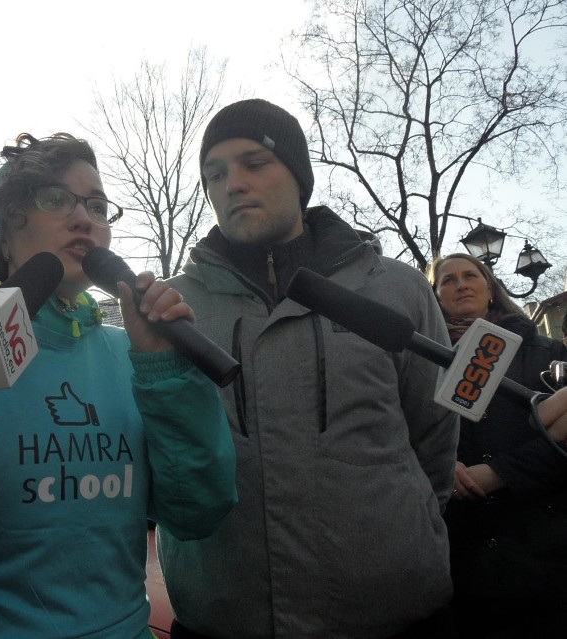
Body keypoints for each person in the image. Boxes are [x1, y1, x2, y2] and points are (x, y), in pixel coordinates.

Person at [0, 132, 238, 638]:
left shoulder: (132, 354)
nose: (84, 218)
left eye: (98, 205)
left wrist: (165, 371)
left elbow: (198, 512)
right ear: (2, 229)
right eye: (55, 199)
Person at [157, 98, 460, 639]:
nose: (234, 184)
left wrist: (403, 528)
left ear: (299, 177)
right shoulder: (174, 308)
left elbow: (434, 433)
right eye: (216, 174)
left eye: (255, 163)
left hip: (392, 616)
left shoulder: (396, 288)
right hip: (223, 620)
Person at [428, 252, 567, 638]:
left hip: (545, 553)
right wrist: (440, 463)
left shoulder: (549, 355)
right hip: (461, 559)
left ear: (490, 289)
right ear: (435, 296)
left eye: (470, 275)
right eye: (447, 280)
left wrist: (500, 474)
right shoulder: (418, 361)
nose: (460, 284)